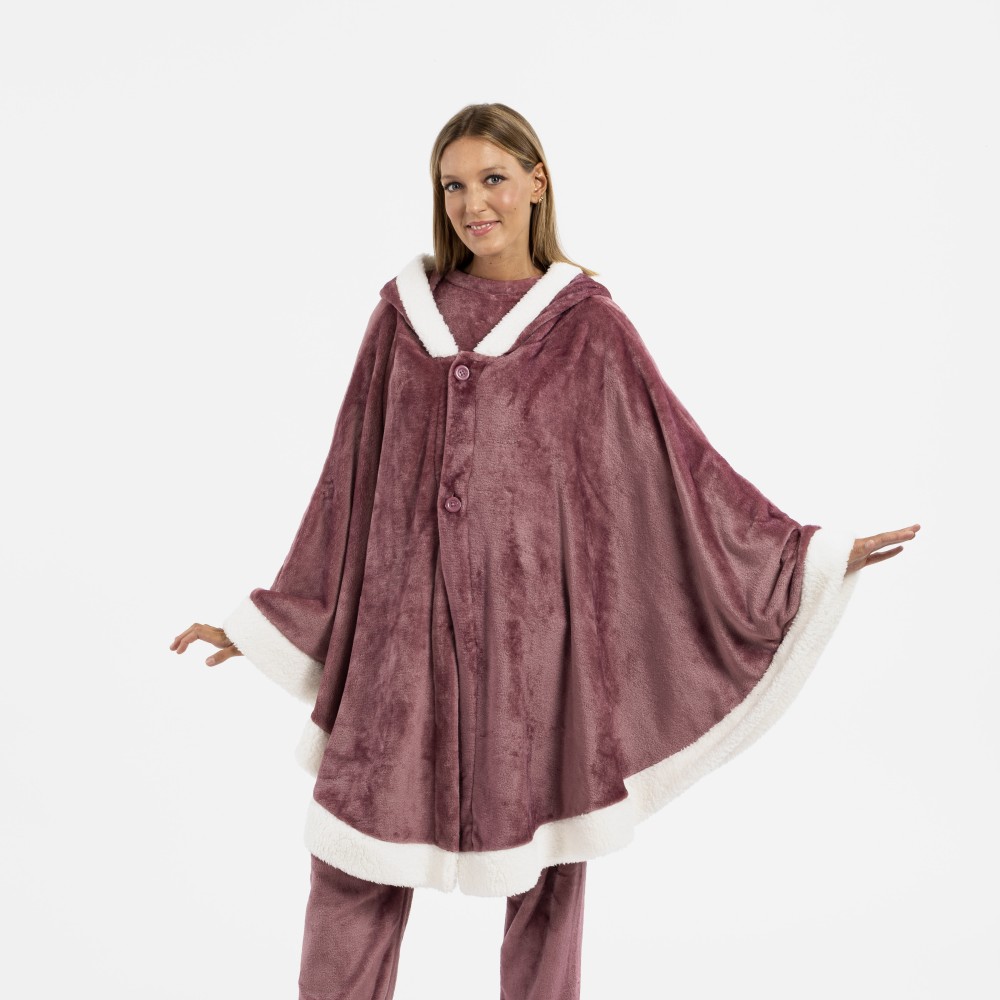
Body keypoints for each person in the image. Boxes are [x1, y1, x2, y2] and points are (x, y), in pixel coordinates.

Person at [170, 102, 920, 1000]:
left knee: (549, 875)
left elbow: (677, 469)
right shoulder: (402, 319)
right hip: (397, 651)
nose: (471, 204)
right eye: (453, 185)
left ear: (536, 182)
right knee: (352, 864)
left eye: (492, 178)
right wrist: (267, 621)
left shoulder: (588, 329)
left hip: (537, 653)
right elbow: (348, 483)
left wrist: (808, 558)